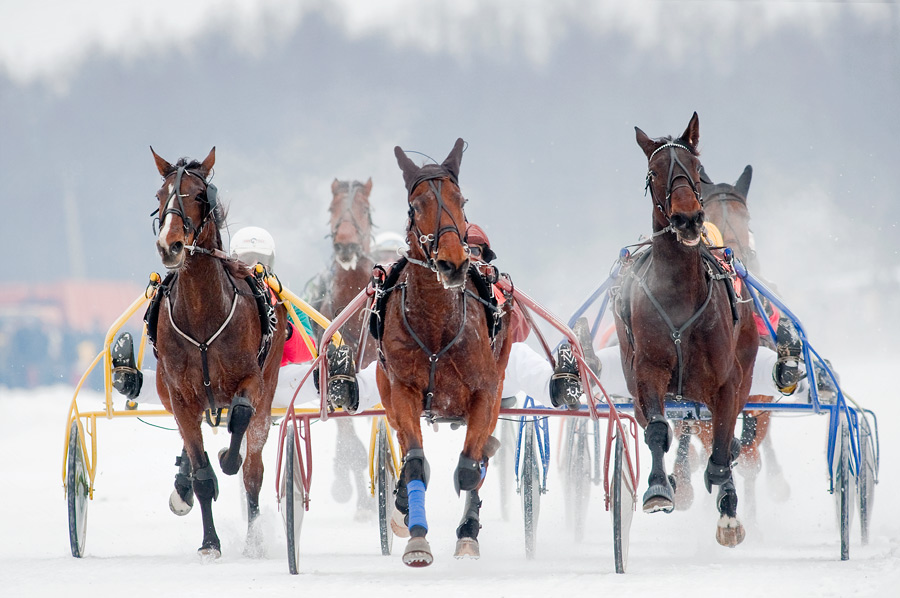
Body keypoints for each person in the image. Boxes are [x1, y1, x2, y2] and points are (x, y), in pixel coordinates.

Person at [326, 222, 598, 414]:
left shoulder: (495, 286)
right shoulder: (427, 288)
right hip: (428, 377)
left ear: (485, 258)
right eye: (460, 250)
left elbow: (519, 331)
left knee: (517, 355)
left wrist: (493, 309)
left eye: (474, 251)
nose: (467, 257)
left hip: (487, 379)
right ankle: (351, 391)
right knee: (393, 364)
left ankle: (560, 386)